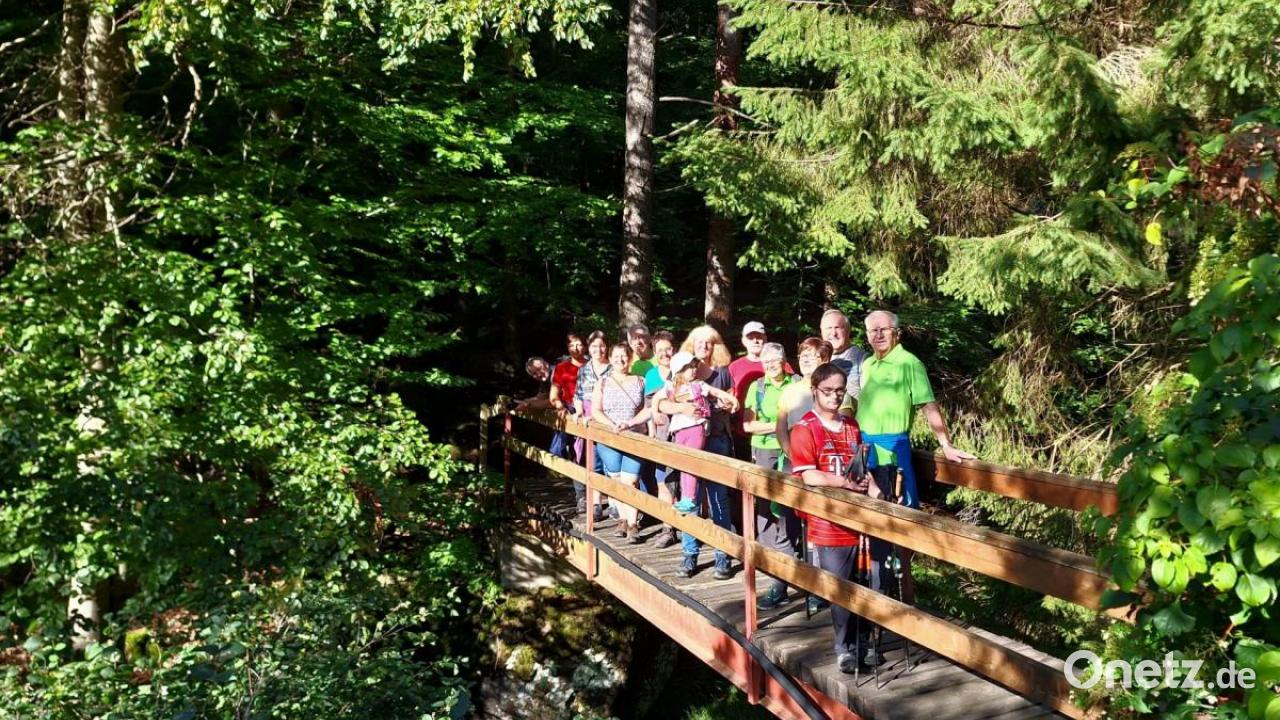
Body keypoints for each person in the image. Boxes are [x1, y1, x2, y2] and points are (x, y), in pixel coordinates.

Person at [848, 309, 976, 602]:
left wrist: (945, 444)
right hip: (865, 452)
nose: (877, 335)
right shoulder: (867, 364)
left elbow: (928, 406)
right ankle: (869, 590)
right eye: (872, 331)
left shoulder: (909, 363)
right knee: (867, 523)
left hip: (893, 454)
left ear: (897, 332)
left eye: (883, 330)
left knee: (894, 524)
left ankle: (891, 596)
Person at [788, 362, 878, 674]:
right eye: (828, 391)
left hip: (859, 517)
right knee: (840, 587)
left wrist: (870, 487)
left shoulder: (852, 425)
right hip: (828, 522)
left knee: (867, 582)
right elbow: (808, 474)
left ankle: (866, 643)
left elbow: (861, 465)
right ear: (815, 390)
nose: (835, 396)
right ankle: (845, 649)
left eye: (840, 391)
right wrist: (844, 483)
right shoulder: (805, 428)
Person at [664, 325, 739, 579]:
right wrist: (681, 408)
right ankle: (689, 554)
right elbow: (661, 403)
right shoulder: (679, 372)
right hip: (688, 438)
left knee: (719, 500)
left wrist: (726, 405)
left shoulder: (722, 374)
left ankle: (722, 556)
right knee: (690, 496)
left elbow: (731, 402)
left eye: (709, 342)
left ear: (715, 346)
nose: (704, 346)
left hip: (716, 439)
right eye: (699, 342)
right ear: (691, 346)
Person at [776, 337, 834, 613]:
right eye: (802, 354)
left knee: (818, 527)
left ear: (824, 359)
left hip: (822, 469)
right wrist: (791, 453)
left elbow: (840, 424)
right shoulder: (791, 390)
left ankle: (818, 586)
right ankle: (785, 581)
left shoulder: (833, 389)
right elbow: (780, 426)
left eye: (812, 354)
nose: (806, 359)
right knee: (786, 521)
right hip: (793, 465)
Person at [741, 342, 801, 610]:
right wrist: (779, 425)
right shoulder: (757, 387)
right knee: (764, 511)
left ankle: (786, 573)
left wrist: (777, 427)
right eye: (766, 363)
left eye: (775, 361)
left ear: (784, 360)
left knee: (787, 511)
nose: (771, 366)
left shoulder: (797, 384)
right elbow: (747, 425)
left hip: (791, 454)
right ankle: (777, 572)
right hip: (764, 454)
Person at [591, 342, 649, 544]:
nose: (620, 360)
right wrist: (612, 424)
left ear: (630, 358)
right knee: (616, 479)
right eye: (615, 356)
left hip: (634, 436)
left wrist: (630, 423)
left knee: (630, 480)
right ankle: (622, 519)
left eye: (624, 356)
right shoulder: (603, 382)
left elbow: (647, 408)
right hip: (609, 437)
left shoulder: (640, 381)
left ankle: (633, 523)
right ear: (610, 358)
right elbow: (595, 411)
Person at [728, 321, 792, 459]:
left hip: (779, 437)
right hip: (742, 431)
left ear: (765, 338)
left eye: (759, 336)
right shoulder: (734, 367)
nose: (756, 340)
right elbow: (730, 396)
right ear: (743, 341)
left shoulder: (782, 365)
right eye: (751, 337)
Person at [643, 331, 680, 548]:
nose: (665, 353)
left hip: (683, 436)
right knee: (663, 482)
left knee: (684, 483)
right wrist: (651, 434)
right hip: (662, 435)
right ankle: (668, 528)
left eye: (668, 349)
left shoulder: (682, 371)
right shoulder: (651, 376)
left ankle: (687, 527)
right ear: (654, 354)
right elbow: (649, 408)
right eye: (660, 351)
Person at [573, 331, 612, 519]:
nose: (599, 349)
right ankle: (596, 502)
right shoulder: (584, 370)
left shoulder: (613, 368)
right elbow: (578, 395)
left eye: (602, 345)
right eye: (595, 346)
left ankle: (614, 502)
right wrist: (578, 412)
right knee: (593, 461)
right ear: (589, 348)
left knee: (611, 462)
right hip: (589, 420)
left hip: (607, 418)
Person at [819, 309, 869, 413]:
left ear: (848, 330)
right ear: (822, 332)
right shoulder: (817, 358)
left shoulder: (862, 358)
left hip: (852, 422)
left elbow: (870, 398)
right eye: (829, 328)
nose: (833, 333)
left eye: (837, 327)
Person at [549, 334, 586, 463]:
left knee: (586, 450)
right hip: (569, 408)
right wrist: (560, 407)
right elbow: (554, 395)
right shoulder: (561, 367)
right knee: (570, 448)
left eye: (579, 344)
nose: (575, 348)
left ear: (585, 346)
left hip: (588, 409)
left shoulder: (592, 365)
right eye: (571, 345)